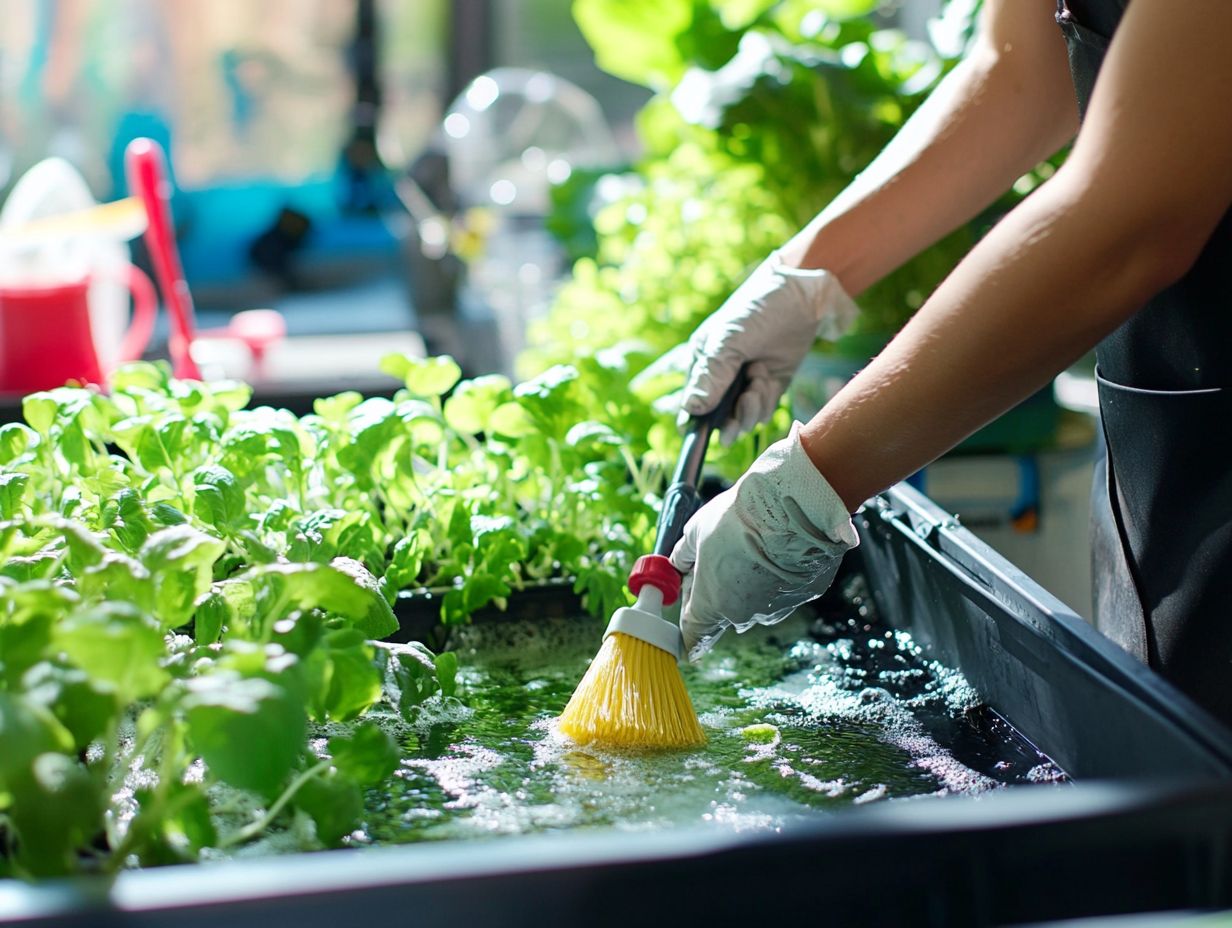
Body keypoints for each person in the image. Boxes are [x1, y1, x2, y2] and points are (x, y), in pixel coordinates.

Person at [670, 0, 1232, 727]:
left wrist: (808, 487)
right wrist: (809, 277)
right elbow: (1022, 68)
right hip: (1161, 424)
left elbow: (1140, 209)